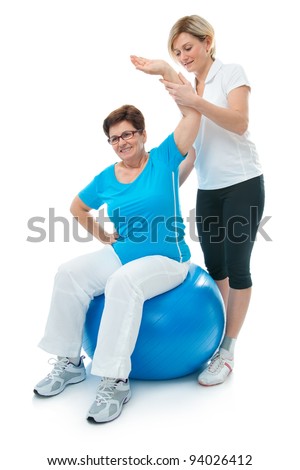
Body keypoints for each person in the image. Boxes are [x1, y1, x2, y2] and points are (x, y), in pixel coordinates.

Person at [34, 79, 201, 422]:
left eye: (127, 134)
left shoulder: (165, 158)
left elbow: (191, 117)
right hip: (124, 250)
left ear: (142, 134)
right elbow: (77, 208)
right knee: (69, 273)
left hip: (169, 257)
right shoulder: (107, 178)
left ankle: (115, 381)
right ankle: (69, 363)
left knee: (122, 284)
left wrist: (166, 73)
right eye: (114, 138)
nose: (121, 142)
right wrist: (104, 236)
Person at [130, 14, 265, 386]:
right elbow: (193, 150)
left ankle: (228, 349)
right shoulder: (192, 86)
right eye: (176, 52)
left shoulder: (231, 73)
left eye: (187, 47)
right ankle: (210, 341)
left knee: (238, 269)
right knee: (215, 267)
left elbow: (239, 122)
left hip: (243, 184)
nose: (183, 56)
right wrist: (164, 189)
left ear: (207, 42)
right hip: (210, 189)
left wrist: (194, 100)